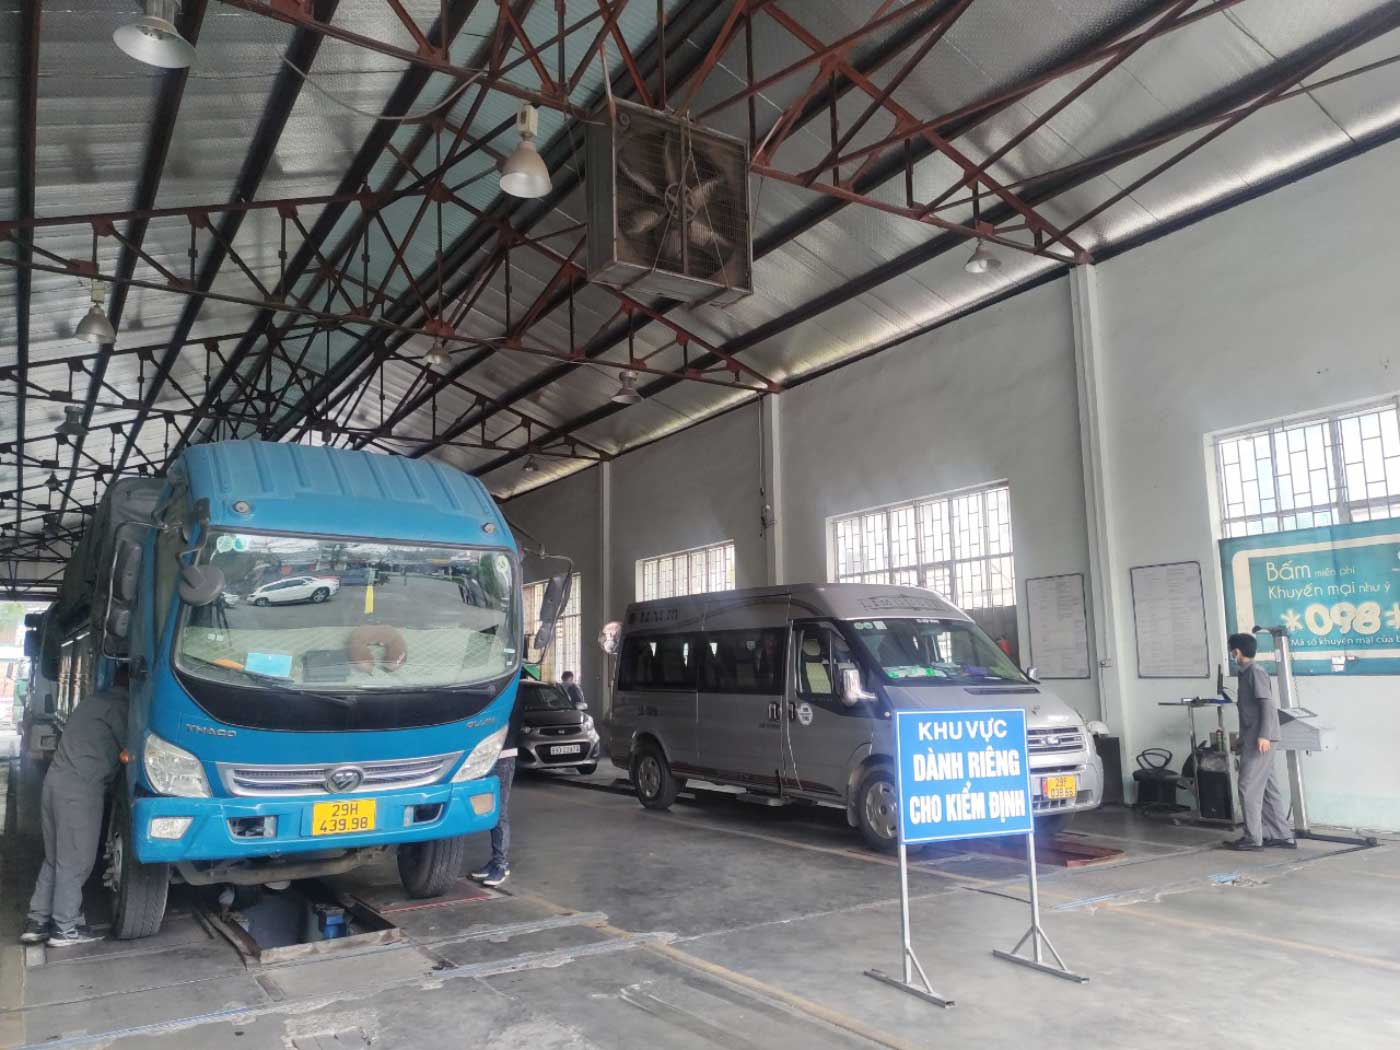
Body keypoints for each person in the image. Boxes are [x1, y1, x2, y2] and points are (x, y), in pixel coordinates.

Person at [21, 666, 131, 947]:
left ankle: (37, 922)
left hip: (54, 783)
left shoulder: (93, 701)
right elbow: (131, 749)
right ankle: (64, 928)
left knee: (54, 857)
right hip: (79, 791)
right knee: (76, 861)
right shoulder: (121, 707)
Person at [1224, 633, 1295, 851]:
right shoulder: (1246, 673)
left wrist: (1264, 735)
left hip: (1260, 739)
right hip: (1254, 737)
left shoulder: (1255, 672)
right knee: (1267, 788)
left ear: (1237, 652)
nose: (1231, 655)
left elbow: (1266, 705)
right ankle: (1281, 835)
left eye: (1231, 651)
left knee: (1248, 786)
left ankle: (1253, 838)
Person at [470, 684, 522, 888]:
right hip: (484, 756)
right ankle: (494, 862)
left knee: (499, 812)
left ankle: (501, 864)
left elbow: (510, 724)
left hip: (503, 757)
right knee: (488, 810)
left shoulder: (514, 691)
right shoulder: (494, 689)